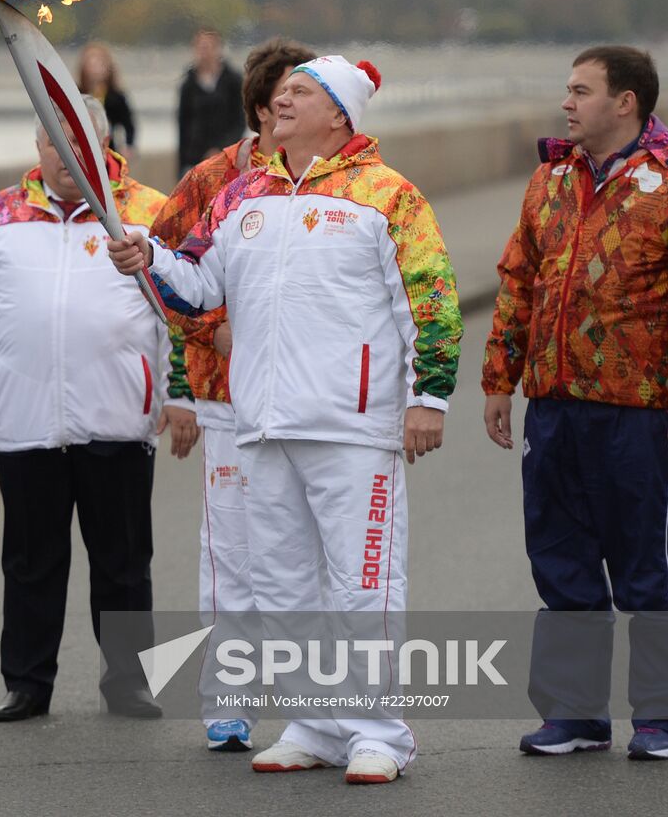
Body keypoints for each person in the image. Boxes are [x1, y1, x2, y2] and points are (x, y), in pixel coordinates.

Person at [109, 55, 462, 784]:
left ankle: (376, 734)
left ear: (340, 114)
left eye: (300, 91)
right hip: (260, 422)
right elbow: (200, 289)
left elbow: (429, 300)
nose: (281, 100)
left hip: (353, 426)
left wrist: (428, 399)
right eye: (278, 94)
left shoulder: (384, 194)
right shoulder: (242, 195)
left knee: (362, 586)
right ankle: (316, 722)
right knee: (281, 586)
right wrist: (149, 257)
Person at [482, 46, 668, 761]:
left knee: (646, 564)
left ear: (624, 102)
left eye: (580, 90)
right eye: (567, 90)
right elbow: (517, 282)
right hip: (555, 404)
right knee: (560, 559)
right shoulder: (550, 180)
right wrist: (499, 379)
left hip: (640, 411)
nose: (566, 103)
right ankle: (573, 714)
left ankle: (661, 716)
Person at [0, 95, 198, 722]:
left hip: (119, 419)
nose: (65, 155)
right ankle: (27, 683)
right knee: (30, 562)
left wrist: (180, 394)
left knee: (124, 563)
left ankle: (129, 682)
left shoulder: (147, 215)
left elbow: (184, 312)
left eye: (77, 142)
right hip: (26, 422)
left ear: (101, 147)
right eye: (54, 142)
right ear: (37, 146)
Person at [148, 36, 315, 754]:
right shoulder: (213, 180)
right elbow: (156, 265)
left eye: (307, 97)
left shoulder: (339, 182)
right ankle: (230, 702)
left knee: (312, 558)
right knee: (233, 557)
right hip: (227, 398)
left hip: (313, 395)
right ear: (256, 109)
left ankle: (322, 711)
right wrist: (211, 329)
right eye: (284, 99)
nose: (296, 109)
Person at [176, 28, 244, 176]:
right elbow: (183, 124)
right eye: (200, 47)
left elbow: (239, 120)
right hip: (195, 157)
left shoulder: (233, 80)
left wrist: (221, 148)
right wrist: (181, 164)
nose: (204, 52)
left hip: (225, 156)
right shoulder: (189, 84)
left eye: (208, 47)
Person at [78, 41, 136, 153]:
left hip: (109, 148)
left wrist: (129, 145)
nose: (95, 68)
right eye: (91, 63)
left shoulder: (116, 97)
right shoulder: (77, 94)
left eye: (99, 63)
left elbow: (129, 124)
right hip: (83, 148)